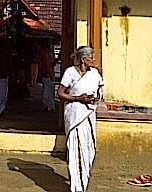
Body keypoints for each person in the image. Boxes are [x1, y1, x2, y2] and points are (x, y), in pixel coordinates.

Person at [57, 46, 104, 192]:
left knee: (89, 148)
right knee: (76, 148)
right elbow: (60, 93)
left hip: (89, 113)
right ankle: (77, 186)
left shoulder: (95, 74)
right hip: (75, 114)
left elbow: (100, 91)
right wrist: (78, 98)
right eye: (92, 57)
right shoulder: (70, 72)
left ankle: (83, 181)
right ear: (84, 59)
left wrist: (94, 99)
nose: (94, 60)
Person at [39, 40, 56, 112]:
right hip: (46, 73)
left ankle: (49, 106)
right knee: (47, 92)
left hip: (50, 74)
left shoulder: (50, 52)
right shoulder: (43, 53)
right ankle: (48, 106)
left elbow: (53, 62)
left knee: (49, 91)